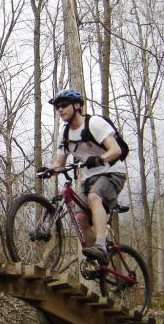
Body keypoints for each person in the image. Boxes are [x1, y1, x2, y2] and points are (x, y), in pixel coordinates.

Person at [37, 89, 126, 263]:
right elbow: (59, 164)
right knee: (80, 218)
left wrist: (100, 159)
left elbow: (116, 150)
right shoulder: (65, 135)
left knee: (94, 197)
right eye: (57, 108)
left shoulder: (94, 124)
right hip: (88, 178)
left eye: (63, 105)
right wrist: (48, 170)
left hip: (112, 172)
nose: (60, 110)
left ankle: (100, 244)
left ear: (77, 105)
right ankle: (99, 259)